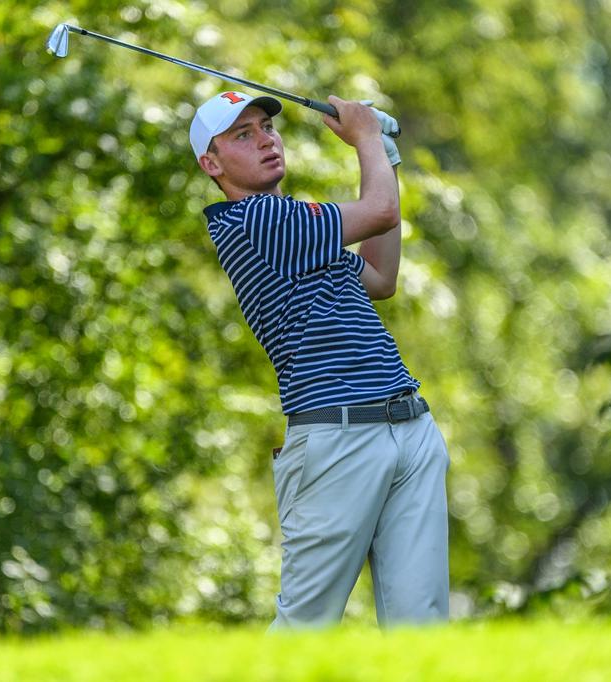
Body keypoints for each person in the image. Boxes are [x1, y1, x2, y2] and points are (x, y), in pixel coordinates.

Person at [190, 90, 450, 628]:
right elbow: (380, 211)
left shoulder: (299, 226)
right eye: (242, 135)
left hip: (408, 425)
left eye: (265, 126)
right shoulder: (256, 222)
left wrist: (387, 158)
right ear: (211, 164)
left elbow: (380, 276)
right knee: (305, 630)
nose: (265, 139)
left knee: (421, 629)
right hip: (338, 438)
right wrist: (367, 138)